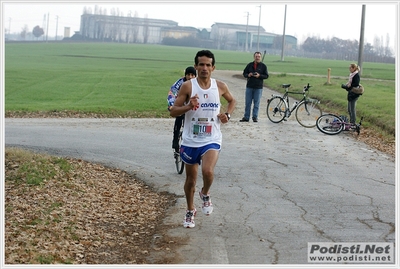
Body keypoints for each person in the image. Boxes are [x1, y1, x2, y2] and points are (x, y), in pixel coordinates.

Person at [169, 50, 236, 228]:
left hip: (212, 138)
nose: (204, 68)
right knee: (190, 180)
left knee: (207, 171)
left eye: (208, 65)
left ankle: (205, 193)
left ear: (213, 67)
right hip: (191, 140)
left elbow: (232, 101)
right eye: (201, 64)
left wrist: (227, 115)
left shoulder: (220, 86)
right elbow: (173, 111)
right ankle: (190, 210)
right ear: (196, 66)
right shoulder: (188, 87)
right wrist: (188, 106)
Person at [167, 66, 197, 152]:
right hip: (180, 103)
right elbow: (171, 93)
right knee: (179, 116)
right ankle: (175, 139)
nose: (190, 77)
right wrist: (172, 105)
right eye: (188, 75)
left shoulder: (197, 83)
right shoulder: (180, 83)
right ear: (185, 75)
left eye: (192, 75)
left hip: (192, 104)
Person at [240, 51, 269, 122]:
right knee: (248, 103)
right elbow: (244, 73)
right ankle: (246, 117)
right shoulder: (249, 65)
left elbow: (266, 76)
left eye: (259, 57)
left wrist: (259, 76)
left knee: (256, 103)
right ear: (254, 57)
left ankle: (255, 117)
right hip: (249, 86)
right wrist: (248, 75)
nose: (257, 58)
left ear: (260, 57)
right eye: (256, 57)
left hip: (258, 87)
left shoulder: (263, 66)